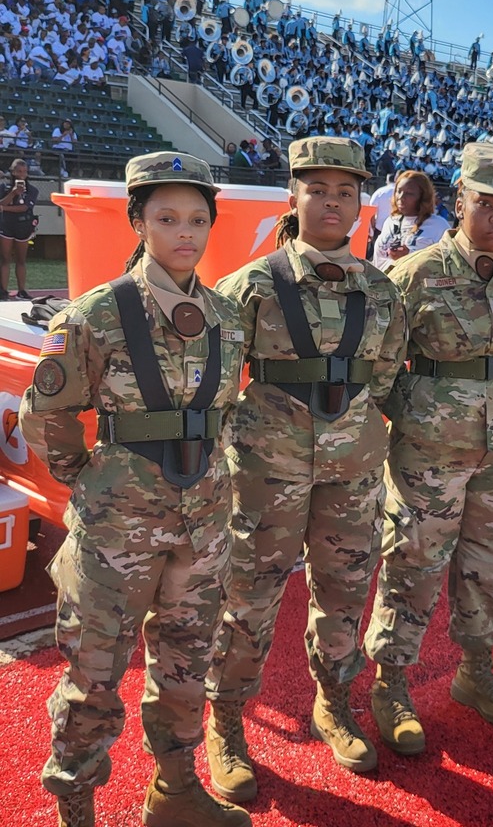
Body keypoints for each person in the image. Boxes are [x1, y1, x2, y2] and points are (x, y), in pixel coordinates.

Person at [19, 152, 250, 827]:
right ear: (137, 220)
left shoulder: (226, 318)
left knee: (186, 663)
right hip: (119, 528)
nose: (186, 232)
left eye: (198, 219)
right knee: (94, 674)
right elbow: (46, 415)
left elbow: (225, 414)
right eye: (167, 217)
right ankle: (77, 809)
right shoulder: (96, 315)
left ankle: (175, 794)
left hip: (203, 521)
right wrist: (90, 481)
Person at [205, 136, 407, 794]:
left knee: (346, 591)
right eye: (317, 188)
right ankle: (226, 720)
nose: (331, 201)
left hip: (351, 470)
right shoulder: (251, 286)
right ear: (293, 197)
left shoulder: (380, 291)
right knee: (248, 598)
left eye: (345, 191)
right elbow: (210, 380)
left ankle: (334, 702)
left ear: (359, 205)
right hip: (267, 472)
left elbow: (383, 374)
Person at [363, 144, 493, 754]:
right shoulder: (416, 274)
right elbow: (379, 368)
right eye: (486, 204)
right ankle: (392, 684)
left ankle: (474, 672)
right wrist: (417, 416)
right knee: (413, 562)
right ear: (460, 201)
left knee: (488, 565)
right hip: (430, 453)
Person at [372, 170, 451, 269]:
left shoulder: (438, 225)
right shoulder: (390, 221)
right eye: (398, 191)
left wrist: (409, 255)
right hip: (380, 283)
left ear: (422, 197)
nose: (401, 197)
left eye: (409, 193)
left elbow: (449, 263)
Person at [0, 157, 39, 300]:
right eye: (19, 171)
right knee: (5, 259)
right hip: (6, 225)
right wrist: (13, 193)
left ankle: (22, 290)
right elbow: (2, 202)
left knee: (21, 260)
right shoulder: (4, 187)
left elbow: (24, 207)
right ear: (13, 172)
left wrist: (4, 208)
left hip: (23, 226)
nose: (22, 174)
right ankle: (3, 290)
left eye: (25, 171)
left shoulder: (32, 190)